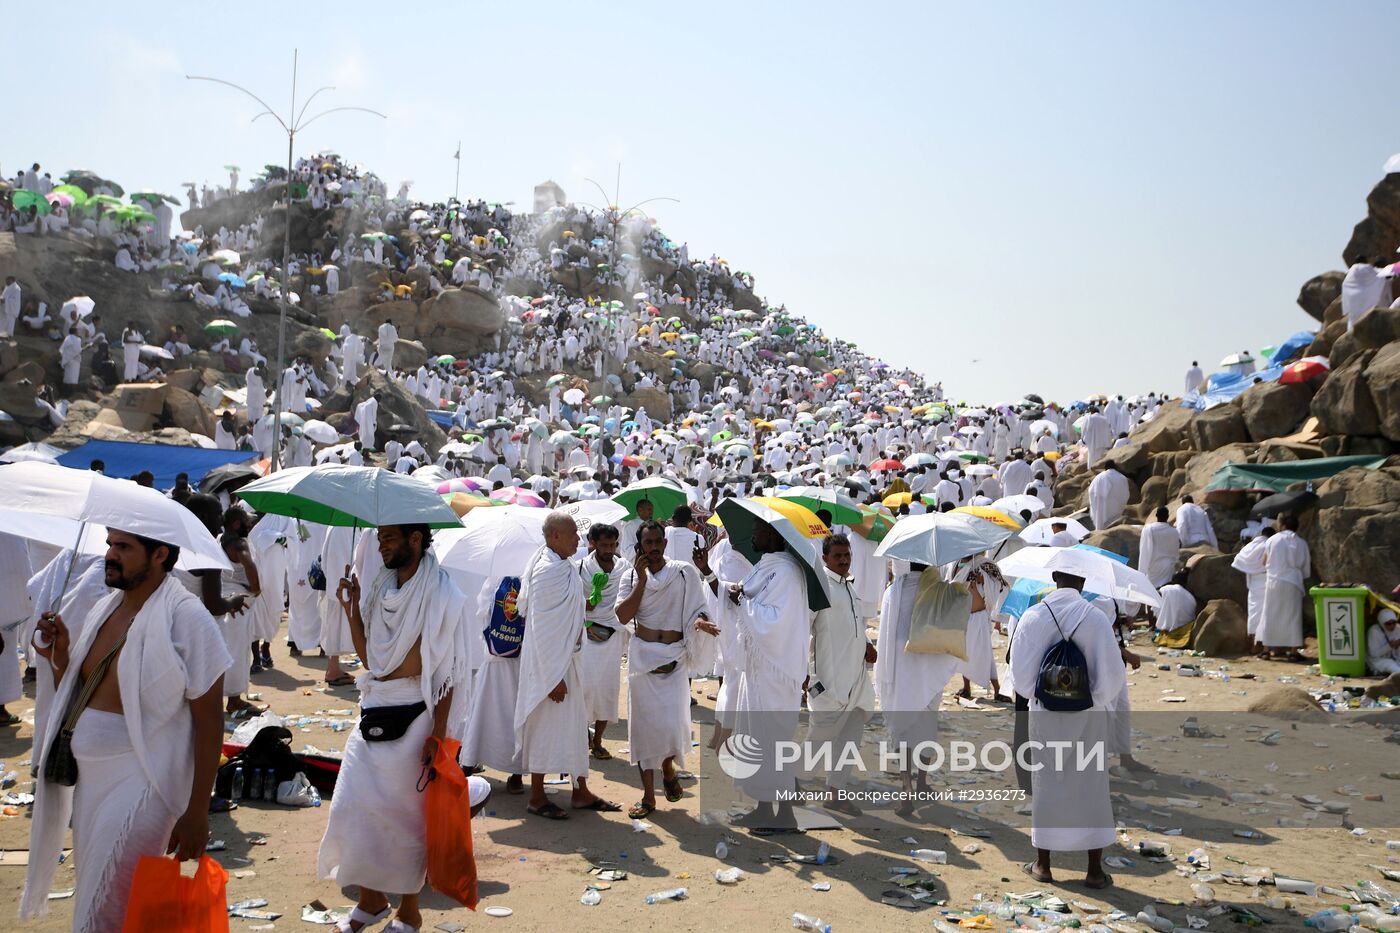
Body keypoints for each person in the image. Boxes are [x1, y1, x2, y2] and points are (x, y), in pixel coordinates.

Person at [24, 529, 231, 931]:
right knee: (100, 897)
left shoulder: (187, 617)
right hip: (91, 784)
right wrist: (60, 656)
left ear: (159, 555)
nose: (110, 555)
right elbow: (89, 692)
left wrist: (197, 811)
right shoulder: (105, 609)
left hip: (146, 780)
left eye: (123, 547)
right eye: (109, 544)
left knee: (109, 904)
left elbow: (210, 722)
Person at [318, 523, 463, 933]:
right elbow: (370, 661)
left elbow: (447, 672)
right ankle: (370, 901)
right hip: (373, 709)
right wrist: (351, 608)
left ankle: (409, 912)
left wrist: (438, 733)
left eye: (389, 539)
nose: (381, 546)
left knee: (405, 819)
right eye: (379, 539)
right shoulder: (381, 589)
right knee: (353, 808)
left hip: (416, 715)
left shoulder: (440, 592)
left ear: (415, 540)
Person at [1009, 571, 1125, 890]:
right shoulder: (1097, 619)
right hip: (1088, 716)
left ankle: (1043, 865)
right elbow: (1113, 678)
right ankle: (1094, 871)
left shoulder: (1032, 616)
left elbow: (1020, 679)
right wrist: (1091, 700)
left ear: (1054, 577)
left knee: (1047, 784)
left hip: (1045, 715)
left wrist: (1043, 696)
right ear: (1083, 583)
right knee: (1091, 787)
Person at [614, 520, 717, 819]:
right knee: (644, 732)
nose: (655, 547)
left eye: (659, 541)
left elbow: (698, 608)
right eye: (649, 543)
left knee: (672, 730)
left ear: (665, 543)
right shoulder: (630, 577)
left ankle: (668, 769)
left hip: (674, 661)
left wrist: (699, 623)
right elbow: (622, 615)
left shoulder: (683, 573)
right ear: (640, 547)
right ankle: (648, 797)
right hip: (643, 661)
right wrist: (641, 581)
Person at [514, 512, 613, 818]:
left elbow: (569, 609)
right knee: (544, 728)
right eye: (573, 534)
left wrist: (587, 602)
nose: (578, 540)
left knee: (574, 727)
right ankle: (538, 796)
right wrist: (552, 678)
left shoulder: (564, 567)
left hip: (569, 661)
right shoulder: (546, 572)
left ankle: (580, 791)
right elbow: (542, 631)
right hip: (550, 669)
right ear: (554, 536)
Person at [730, 518, 812, 827]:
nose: (753, 536)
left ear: (774, 535)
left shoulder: (788, 572)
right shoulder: (765, 565)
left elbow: (776, 622)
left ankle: (787, 815)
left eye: (758, 531)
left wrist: (743, 601)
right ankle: (764, 807)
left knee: (775, 742)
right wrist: (737, 594)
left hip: (777, 669)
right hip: (759, 669)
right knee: (757, 739)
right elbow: (751, 600)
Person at [875, 562, 959, 809]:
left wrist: (885, 671)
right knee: (925, 723)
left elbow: (885, 635)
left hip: (901, 668)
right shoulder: (940, 590)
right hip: (929, 668)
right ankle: (921, 781)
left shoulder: (894, 590)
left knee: (902, 727)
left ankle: (906, 785)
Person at [803, 534, 876, 815]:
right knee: (819, 738)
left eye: (847, 555)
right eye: (838, 556)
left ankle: (836, 793)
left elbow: (857, 625)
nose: (844, 560)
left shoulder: (849, 586)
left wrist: (869, 646)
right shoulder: (819, 588)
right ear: (825, 559)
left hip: (856, 678)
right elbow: (804, 631)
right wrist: (805, 673)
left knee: (850, 737)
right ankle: (790, 784)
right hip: (828, 680)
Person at [578, 524, 626, 761]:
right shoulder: (581, 568)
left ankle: (597, 741)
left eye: (612, 545)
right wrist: (593, 595)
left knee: (607, 690)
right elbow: (579, 604)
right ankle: (581, 735)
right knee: (584, 689)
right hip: (586, 636)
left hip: (612, 635)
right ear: (593, 543)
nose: (608, 550)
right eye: (603, 545)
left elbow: (627, 600)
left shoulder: (624, 569)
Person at [1256, 513, 1311, 661]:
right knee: (1293, 617)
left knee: (1270, 614)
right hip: (1293, 582)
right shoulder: (1302, 543)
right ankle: (1293, 651)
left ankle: (1266, 650)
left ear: (1283, 526)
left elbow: (1264, 561)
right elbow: (1305, 569)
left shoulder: (1272, 540)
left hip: (1274, 581)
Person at [1231, 526, 1273, 653]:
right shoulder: (1269, 545)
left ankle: (1253, 646)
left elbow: (1238, 560)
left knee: (1254, 613)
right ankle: (1264, 646)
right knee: (1266, 614)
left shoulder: (1250, 546)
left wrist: (1252, 569)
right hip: (1266, 581)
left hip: (1254, 582)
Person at [1138, 507, 1180, 588]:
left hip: (1154, 567)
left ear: (1156, 515)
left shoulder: (1149, 529)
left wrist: (1141, 573)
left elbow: (1145, 551)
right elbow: (1176, 552)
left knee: (1153, 593)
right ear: (1168, 516)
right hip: (1169, 568)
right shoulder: (1174, 531)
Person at [1152, 570, 1198, 634]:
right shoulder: (1190, 597)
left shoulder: (1168, 589)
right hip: (1186, 627)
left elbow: (1155, 594)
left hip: (1165, 627)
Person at [1087, 466, 1128, 532]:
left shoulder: (1098, 477)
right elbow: (1125, 494)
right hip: (1114, 509)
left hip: (1100, 508)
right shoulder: (1122, 477)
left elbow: (1091, 491)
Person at [1367, 609, 1400, 675]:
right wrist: (1389, 646)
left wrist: (1397, 646)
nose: (1392, 626)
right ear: (1381, 622)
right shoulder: (1374, 631)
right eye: (1388, 623)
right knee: (1392, 667)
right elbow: (1374, 654)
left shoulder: (1397, 628)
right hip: (1378, 660)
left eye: (1394, 622)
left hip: (1395, 658)